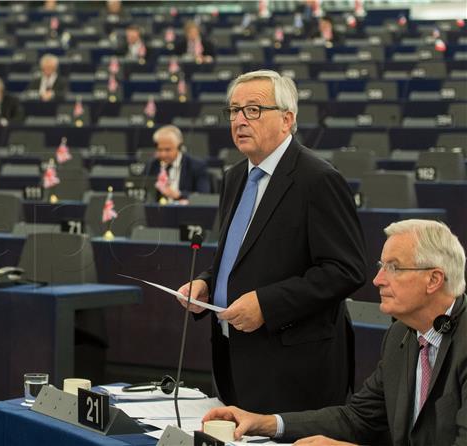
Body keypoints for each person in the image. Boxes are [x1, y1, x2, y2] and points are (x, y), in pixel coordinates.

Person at [175, 70, 367, 413]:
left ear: (287, 119)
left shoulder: (318, 179)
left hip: (294, 368)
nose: (239, 120)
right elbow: (241, 253)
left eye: (253, 110)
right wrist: (208, 283)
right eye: (234, 111)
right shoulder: (235, 176)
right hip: (234, 358)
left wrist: (267, 304)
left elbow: (345, 270)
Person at [203, 219, 466, 445]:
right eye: (381, 266)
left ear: (434, 279)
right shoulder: (401, 335)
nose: (378, 280)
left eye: (394, 268)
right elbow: (358, 417)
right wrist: (264, 423)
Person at [145, 125, 210, 200]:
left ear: (179, 147)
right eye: (160, 150)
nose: (163, 154)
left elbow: (204, 196)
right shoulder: (152, 165)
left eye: (167, 150)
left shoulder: (197, 166)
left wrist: (179, 195)